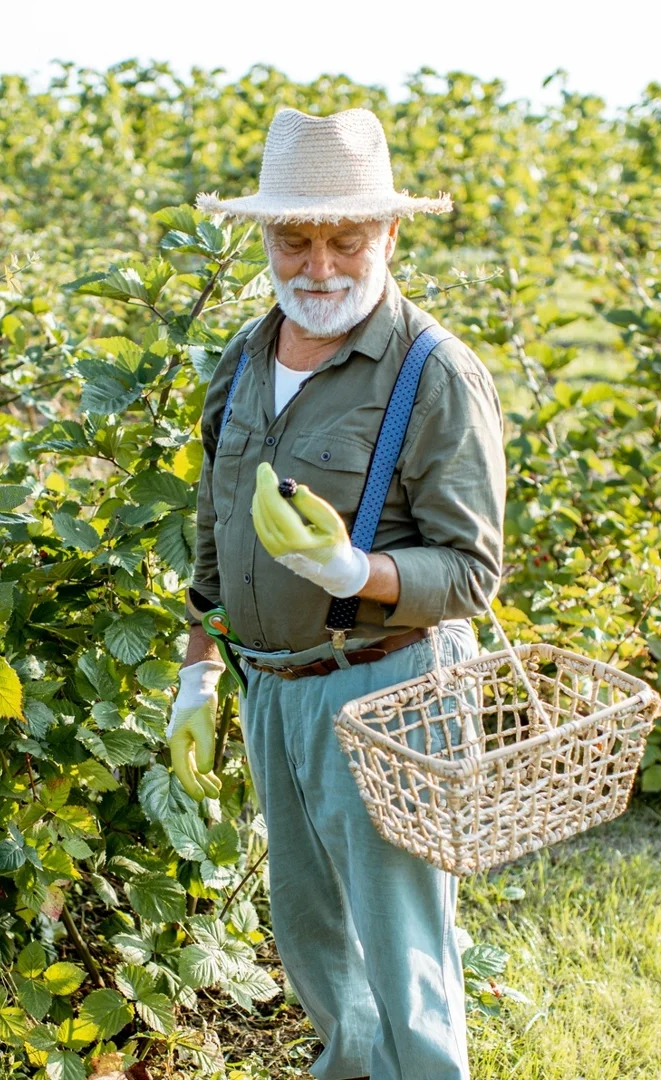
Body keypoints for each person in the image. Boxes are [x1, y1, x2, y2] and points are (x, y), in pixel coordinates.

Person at [168, 107, 507, 1080]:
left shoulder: (433, 375)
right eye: (295, 238)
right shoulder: (244, 358)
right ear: (265, 238)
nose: (319, 264)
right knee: (313, 936)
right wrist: (197, 679)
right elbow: (212, 531)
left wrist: (357, 575)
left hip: (391, 692)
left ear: (389, 236)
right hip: (275, 688)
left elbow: (473, 573)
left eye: (345, 240)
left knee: (405, 951)